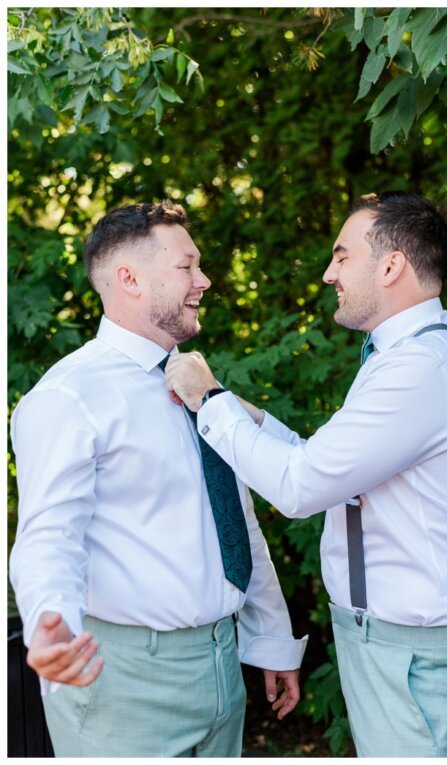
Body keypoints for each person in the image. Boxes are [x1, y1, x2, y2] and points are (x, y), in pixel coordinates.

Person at [164, 191, 447, 757]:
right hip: (398, 646)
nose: (328, 274)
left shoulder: (421, 368)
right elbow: (326, 466)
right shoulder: (402, 356)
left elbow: (301, 487)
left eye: (342, 256)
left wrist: (210, 400)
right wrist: (238, 408)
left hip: (423, 657)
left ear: (391, 265)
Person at [9, 201, 307, 758]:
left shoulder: (196, 381)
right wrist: (51, 620)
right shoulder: (68, 396)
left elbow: (234, 517)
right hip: (124, 685)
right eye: (187, 266)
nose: (205, 280)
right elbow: (49, 536)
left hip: (223, 667)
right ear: (130, 279)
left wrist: (271, 640)